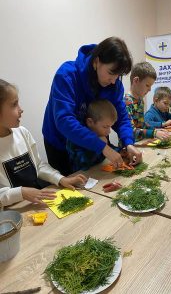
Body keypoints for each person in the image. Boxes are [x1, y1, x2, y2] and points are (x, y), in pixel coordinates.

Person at [42, 37, 142, 176]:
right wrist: (102, 147)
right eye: (111, 73)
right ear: (96, 62)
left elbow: (121, 117)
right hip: (60, 141)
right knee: (69, 184)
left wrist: (128, 143)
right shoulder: (66, 75)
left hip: (94, 140)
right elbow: (64, 120)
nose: (114, 81)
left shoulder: (114, 85)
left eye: (118, 76)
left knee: (94, 176)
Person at [0, 79, 87, 207]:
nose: (21, 109)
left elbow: (39, 165)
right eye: (14, 105)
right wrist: (22, 192)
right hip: (12, 213)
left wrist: (61, 179)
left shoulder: (22, 132)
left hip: (35, 203)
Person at [67, 99, 118, 171]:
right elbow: (82, 163)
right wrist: (98, 146)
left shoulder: (101, 131)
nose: (109, 131)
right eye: (106, 127)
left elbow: (108, 148)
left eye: (110, 126)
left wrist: (119, 151)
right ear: (90, 122)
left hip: (99, 171)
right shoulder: (77, 138)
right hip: (84, 176)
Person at [124, 62, 170, 142]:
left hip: (142, 143)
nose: (149, 89)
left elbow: (142, 124)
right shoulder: (127, 102)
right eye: (147, 85)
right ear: (136, 81)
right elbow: (130, 131)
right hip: (130, 148)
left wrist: (156, 130)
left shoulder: (140, 100)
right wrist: (153, 133)